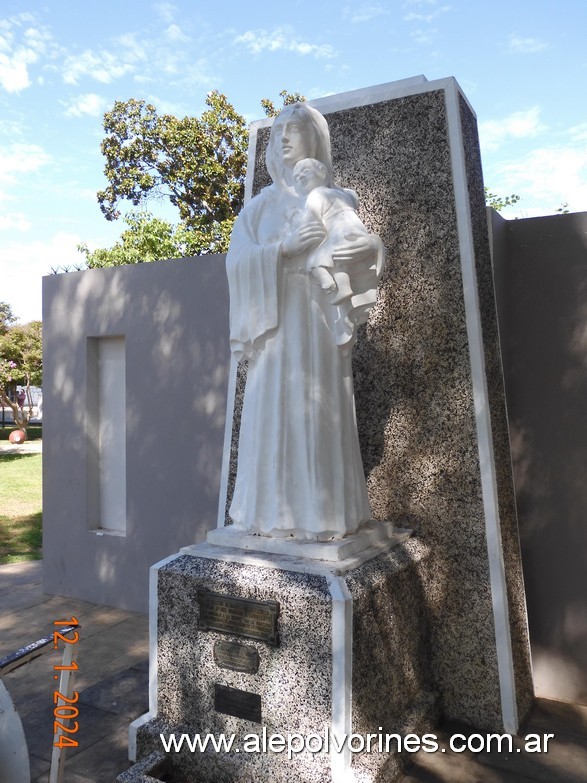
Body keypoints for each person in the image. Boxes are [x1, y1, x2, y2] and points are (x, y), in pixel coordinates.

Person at [226, 103, 385, 540]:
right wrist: (283, 249)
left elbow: (355, 240)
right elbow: (236, 263)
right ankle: (268, 514)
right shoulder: (258, 210)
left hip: (316, 320)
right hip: (275, 323)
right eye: (278, 132)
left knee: (319, 410)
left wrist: (365, 248)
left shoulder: (332, 197)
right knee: (272, 410)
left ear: (314, 139)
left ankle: (323, 514)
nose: (284, 138)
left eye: (295, 130)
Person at [292, 157, 378, 305]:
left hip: (337, 233)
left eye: (305, 171)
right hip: (355, 230)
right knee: (337, 261)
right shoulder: (339, 193)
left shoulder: (315, 195)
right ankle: (344, 288)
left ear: (322, 173)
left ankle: (328, 282)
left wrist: (298, 224)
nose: (300, 177)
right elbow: (353, 199)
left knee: (315, 261)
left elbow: (311, 218)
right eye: (296, 177)